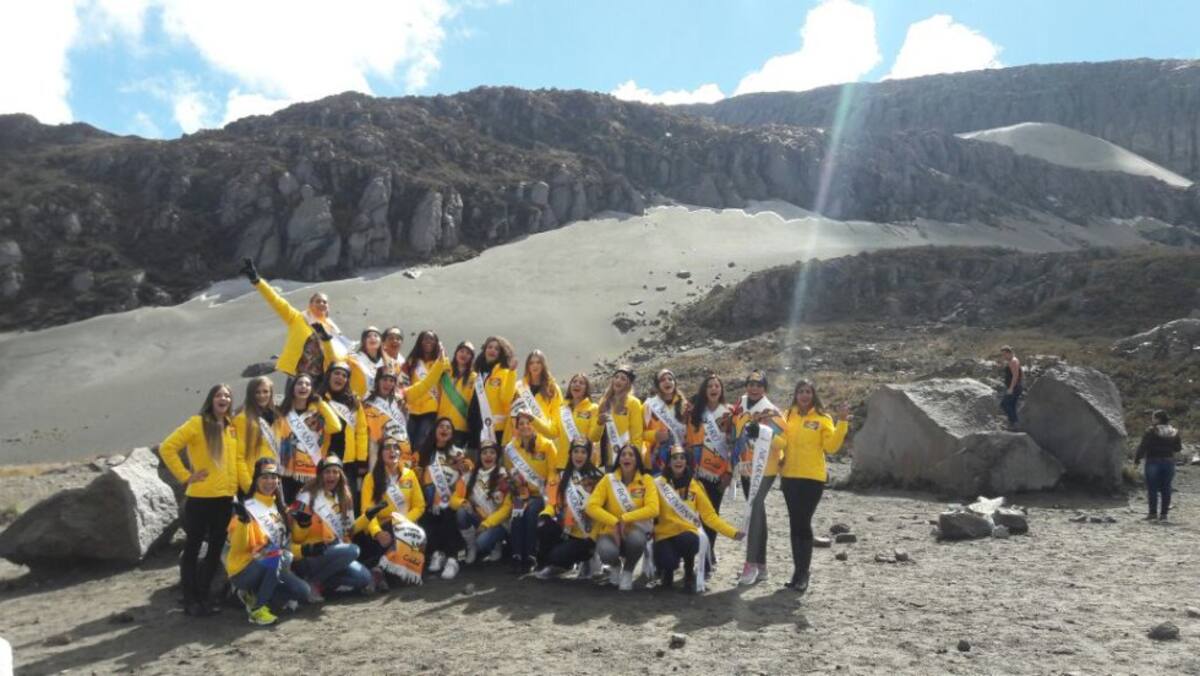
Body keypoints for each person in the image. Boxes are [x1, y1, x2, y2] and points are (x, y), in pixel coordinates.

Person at [159, 384, 248, 616]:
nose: (223, 399)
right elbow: (167, 447)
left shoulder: (231, 428)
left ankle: (204, 596)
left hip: (225, 499)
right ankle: (190, 599)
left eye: (227, 395)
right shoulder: (197, 423)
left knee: (215, 549)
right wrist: (185, 476)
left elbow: (236, 460)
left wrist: (242, 488)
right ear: (211, 399)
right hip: (200, 499)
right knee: (193, 548)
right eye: (219, 395)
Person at [779, 379, 849, 595]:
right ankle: (797, 572)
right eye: (801, 391)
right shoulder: (786, 416)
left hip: (812, 480)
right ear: (795, 395)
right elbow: (780, 441)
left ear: (813, 395)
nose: (804, 395)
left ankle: (804, 573)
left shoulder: (822, 418)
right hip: (789, 477)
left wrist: (842, 422)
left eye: (808, 391)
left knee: (803, 523)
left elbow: (831, 446)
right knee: (794, 524)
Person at [226, 458, 311, 625]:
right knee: (279, 555)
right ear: (256, 480)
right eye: (264, 477)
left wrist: (303, 525)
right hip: (244, 569)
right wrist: (243, 523)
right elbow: (237, 547)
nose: (270, 481)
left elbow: (290, 544)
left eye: (273, 477)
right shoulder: (247, 507)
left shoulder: (279, 507)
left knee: (303, 591)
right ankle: (257, 609)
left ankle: (253, 595)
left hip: (273, 563)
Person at [653, 447, 744, 592]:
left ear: (687, 462)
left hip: (686, 534)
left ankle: (689, 571)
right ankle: (667, 572)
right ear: (668, 462)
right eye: (674, 458)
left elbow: (710, 516)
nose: (678, 461)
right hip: (665, 534)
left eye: (682, 458)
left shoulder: (696, 486)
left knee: (689, 540)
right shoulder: (658, 484)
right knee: (666, 559)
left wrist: (733, 533)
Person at [240, 258, 344, 381]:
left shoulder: (332, 329)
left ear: (328, 307)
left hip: (320, 380)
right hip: (296, 377)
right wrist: (257, 281)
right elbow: (276, 301)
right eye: (318, 301)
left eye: (324, 302)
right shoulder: (297, 318)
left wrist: (327, 340)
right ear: (310, 304)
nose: (322, 304)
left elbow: (337, 358)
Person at [731, 370, 786, 586]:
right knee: (757, 513)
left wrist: (764, 432)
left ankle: (751, 563)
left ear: (765, 388)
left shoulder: (770, 411)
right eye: (751, 384)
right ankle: (761, 564)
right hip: (746, 468)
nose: (754, 388)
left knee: (754, 511)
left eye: (759, 384)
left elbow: (783, 442)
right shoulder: (741, 404)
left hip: (765, 469)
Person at [292, 456, 374, 596]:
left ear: (340, 475)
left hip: (335, 551)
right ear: (320, 475)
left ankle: (321, 584)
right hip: (312, 554)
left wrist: (367, 517)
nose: (331, 476)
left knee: (364, 578)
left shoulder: (344, 496)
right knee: (353, 550)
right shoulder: (307, 496)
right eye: (327, 472)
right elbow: (296, 538)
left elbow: (348, 531)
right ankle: (313, 582)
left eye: (335, 472)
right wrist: (303, 525)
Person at [586, 444, 660, 591]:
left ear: (637, 460)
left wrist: (625, 518)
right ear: (619, 459)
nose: (627, 457)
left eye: (631, 455)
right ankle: (615, 566)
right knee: (606, 552)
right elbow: (591, 506)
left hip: (635, 531)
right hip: (610, 531)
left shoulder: (646, 480)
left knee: (637, 540)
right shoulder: (608, 479)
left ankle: (628, 571)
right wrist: (614, 522)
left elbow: (653, 509)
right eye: (623, 454)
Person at [358, 436, 426, 588]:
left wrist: (403, 522)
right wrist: (377, 532)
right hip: (382, 529)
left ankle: (379, 570)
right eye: (387, 448)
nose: (392, 451)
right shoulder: (370, 478)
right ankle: (381, 572)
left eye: (395, 447)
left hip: (406, 526)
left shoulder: (410, 475)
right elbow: (366, 512)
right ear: (380, 454)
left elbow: (420, 506)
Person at [683, 373, 734, 572]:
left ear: (721, 390)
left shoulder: (729, 413)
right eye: (710, 386)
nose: (713, 389)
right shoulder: (695, 413)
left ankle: (708, 553)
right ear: (704, 390)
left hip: (718, 472)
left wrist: (729, 473)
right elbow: (688, 442)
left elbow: (733, 446)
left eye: (717, 386)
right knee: (695, 514)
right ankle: (698, 552)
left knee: (712, 514)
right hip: (697, 471)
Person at [535, 439, 603, 580]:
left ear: (589, 455)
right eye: (576, 451)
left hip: (588, 534)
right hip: (567, 530)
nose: (579, 455)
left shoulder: (598, 479)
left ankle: (589, 557)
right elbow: (552, 503)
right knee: (544, 527)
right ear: (570, 454)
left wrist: (592, 536)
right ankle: (557, 566)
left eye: (583, 452)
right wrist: (545, 515)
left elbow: (602, 512)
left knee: (558, 555)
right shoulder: (562, 476)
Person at [504, 410, 558, 573]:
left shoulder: (547, 445)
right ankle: (516, 555)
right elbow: (510, 472)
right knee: (517, 512)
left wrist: (548, 491)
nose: (525, 426)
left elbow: (553, 472)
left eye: (528, 422)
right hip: (522, 493)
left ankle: (530, 555)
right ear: (516, 427)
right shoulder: (511, 448)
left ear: (534, 425)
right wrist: (517, 486)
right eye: (521, 423)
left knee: (531, 511)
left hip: (541, 493)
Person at [275, 373, 343, 502]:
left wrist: (321, 403)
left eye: (307, 384)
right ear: (292, 387)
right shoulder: (282, 412)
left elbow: (336, 427)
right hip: (286, 470)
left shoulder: (317, 414)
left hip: (311, 471)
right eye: (299, 383)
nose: (303, 387)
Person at [419, 418, 472, 579]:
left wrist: (466, 466)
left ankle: (452, 558)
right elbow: (416, 474)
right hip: (428, 498)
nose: (445, 430)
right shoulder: (424, 452)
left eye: (448, 427)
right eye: (441, 426)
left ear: (452, 433)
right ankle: (438, 553)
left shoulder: (458, 453)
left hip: (451, 497)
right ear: (435, 430)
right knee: (429, 515)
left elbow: (467, 473)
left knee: (447, 512)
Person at [408, 341, 477, 447]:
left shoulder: (474, 377)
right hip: (441, 424)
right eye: (462, 351)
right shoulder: (445, 370)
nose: (464, 355)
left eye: (468, 353)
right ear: (456, 352)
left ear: (471, 357)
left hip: (460, 426)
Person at [454, 441, 512, 565]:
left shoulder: (504, 476)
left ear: (497, 456)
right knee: (461, 512)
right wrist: (463, 502)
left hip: (498, 523)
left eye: (492, 452)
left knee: (482, 543)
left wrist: (487, 524)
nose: (488, 456)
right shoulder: (470, 474)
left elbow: (507, 509)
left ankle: (496, 544)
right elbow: (454, 499)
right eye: (484, 453)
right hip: (479, 518)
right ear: (479, 456)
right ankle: (471, 547)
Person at [321, 362, 369, 505]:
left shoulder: (354, 402)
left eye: (344, 375)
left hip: (348, 460)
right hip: (324, 457)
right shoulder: (320, 398)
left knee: (348, 501)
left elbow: (361, 432)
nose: (340, 377)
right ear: (329, 376)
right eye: (336, 373)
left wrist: (361, 459)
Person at [590, 366, 644, 470]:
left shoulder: (633, 403)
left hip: (626, 460)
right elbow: (594, 438)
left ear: (628, 384)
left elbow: (637, 435)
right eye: (616, 377)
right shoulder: (604, 402)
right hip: (608, 460)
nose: (618, 380)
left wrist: (635, 459)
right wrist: (599, 423)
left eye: (623, 379)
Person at [1135, 410, 1183, 522]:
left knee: (1152, 488)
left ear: (1158, 419)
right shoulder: (1173, 431)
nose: (1152, 420)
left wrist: (1137, 459)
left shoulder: (1151, 431)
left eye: (1153, 418)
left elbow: (1143, 446)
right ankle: (1164, 515)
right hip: (1169, 462)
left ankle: (1152, 514)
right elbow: (1178, 448)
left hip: (1153, 461)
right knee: (1166, 488)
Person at [361, 367, 412, 473]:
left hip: (399, 445)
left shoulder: (399, 401)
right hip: (376, 445)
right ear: (377, 381)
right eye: (384, 379)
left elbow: (405, 423)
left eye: (391, 380)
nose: (388, 383)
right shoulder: (367, 401)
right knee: (377, 476)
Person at [470, 335, 518, 447]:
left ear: (501, 353)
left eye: (497, 349)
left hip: (495, 430)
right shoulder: (477, 374)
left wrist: (512, 373)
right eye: (490, 347)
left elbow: (506, 399)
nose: (492, 350)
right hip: (476, 428)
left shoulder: (505, 373)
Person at [233, 377, 280, 485]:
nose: (262, 395)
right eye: (257, 392)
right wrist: (248, 485)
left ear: (271, 393)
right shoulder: (242, 418)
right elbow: (239, 457)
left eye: (265, 391)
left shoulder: (278, 416)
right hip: (254, 479)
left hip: (274, 478)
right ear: (250, 395)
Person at [511, 349, 563, 445]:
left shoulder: (552, 389)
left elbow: (557, 420)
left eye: (538, 362)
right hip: (521, 440)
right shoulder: (518, 386)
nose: (535, 365)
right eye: (531, 363)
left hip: (542, 441)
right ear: (528, 366)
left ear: (543, 365)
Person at [642, 368, 687, 475]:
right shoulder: (648, 406)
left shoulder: (684, 405)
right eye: (662, 380)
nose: (667, 381)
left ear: (675, 383)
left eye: (670, 379)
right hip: (657, 457)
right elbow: (639, 433)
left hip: (680, 457)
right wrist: (654, 435)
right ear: (657, 385)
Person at [403, 330, 444, 448]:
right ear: (420, 341)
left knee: (421, 442)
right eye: (425, 338)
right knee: (407, 442)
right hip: (411, 409)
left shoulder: (441, 363)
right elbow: (403, 382)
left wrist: (442, 354)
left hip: (430, 410)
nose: (428, 341)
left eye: (432, 339)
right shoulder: (411, 362)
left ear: (436, 343)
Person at [550, 374, 600, 468]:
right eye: (574, 382)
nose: (577, 384)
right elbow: (552, 433)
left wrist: (600, 424)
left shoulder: (593, 408)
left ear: (587, 388)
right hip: (563, 463)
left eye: (581, 383)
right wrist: (533, 420)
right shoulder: (562, 409)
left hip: (585, 463)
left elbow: (594, 438)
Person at [347, 326, 387, 399]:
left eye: (376, 335)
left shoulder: (386, 362)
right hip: (356, 398)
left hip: (375, 401)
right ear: (364, 341)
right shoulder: (355, 359)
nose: (372, 338)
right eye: (369, 336)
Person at [998, 346, 1022, 427]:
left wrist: (1011, 388)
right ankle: (1013, 424)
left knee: (1004, 404)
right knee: (1012, 405)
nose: (1003, 356)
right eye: (1002, 354)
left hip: (1014, 387)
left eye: (1004, 354)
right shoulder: (1012, 360)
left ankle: (1014, 422)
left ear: (1009, 353)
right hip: (1015, 386)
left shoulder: (1013, 361)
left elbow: (1015, 375)